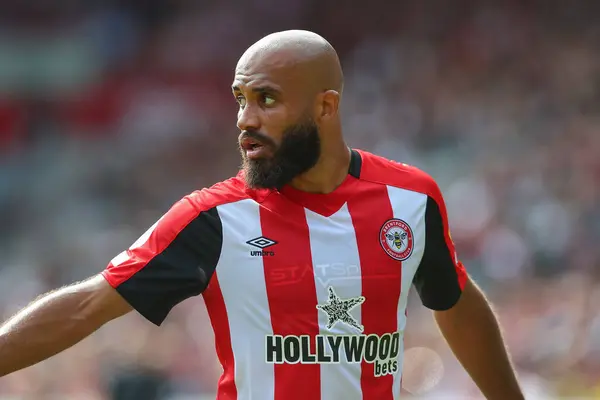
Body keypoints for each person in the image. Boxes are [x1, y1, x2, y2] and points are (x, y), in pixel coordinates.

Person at [0, 30, 524, 399]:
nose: (245, 120)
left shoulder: (410, 200)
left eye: (267, 100)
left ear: (325, 106)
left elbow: (454, 300)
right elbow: (87, 305)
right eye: (240, 99)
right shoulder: (212, 219)